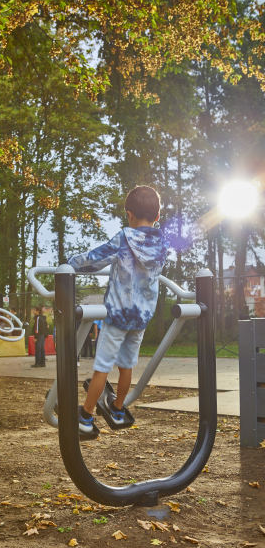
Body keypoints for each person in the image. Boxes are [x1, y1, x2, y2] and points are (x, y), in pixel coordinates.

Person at [67, 185, 169, 433]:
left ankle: (86, 416)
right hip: (141, 317)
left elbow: (95, 258)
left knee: (102, 366)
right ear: (157, 217)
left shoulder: (125, 237)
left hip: (117, 315)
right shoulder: (163, 244)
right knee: (126, 365)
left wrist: (69, 265)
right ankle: (118, 407)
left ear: (129, 214)